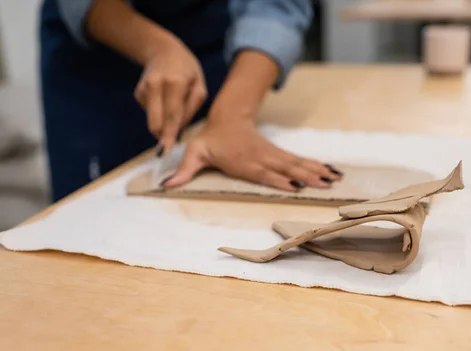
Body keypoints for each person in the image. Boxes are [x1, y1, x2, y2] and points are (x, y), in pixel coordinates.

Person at [40, 0, 342, 202]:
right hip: (97, 48)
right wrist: (157, 48)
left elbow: (275, 7)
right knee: (94, 214)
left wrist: (231, 118)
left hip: (216, 43)